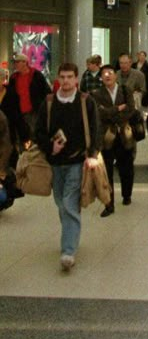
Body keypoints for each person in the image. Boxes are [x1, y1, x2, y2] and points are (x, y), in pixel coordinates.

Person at [34, 63, 100, 270]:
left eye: (69, 77)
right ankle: (71, 232)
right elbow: (38, 132)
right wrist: (49, 146)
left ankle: (68, 251)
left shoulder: (85, 102)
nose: (65, 81)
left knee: (69, 203)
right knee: (61, 203)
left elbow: (96, 129)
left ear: (76, 79)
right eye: (62, 77)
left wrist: (92, 155)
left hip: (77, 160)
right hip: (54, 163)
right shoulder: (49, 102)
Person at [93, 64, 137, 216]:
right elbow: (99, 113)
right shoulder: (96, 94)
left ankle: (127, 195)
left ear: (115, 75)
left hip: (124, 134)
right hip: (106, 136)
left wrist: (111, 115)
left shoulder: (125, 90)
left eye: (110, 73)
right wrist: (117, 109)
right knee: (107, 171)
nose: (107, 76)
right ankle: (109, 203)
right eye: (104, 74)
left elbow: (130, 109)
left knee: (126, 167)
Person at [8, 53, 51, 141]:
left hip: (34, 111)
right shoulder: (13, 78)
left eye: (17, 62)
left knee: (35, 134)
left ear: (25, 63)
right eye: (15, 62)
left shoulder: (36, 75)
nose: (15, 64)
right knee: (22, 136)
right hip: (19, 113)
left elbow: (46, 92)